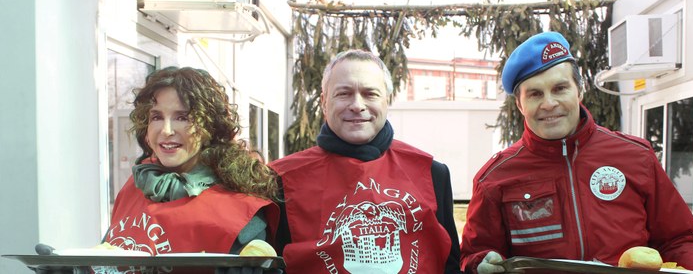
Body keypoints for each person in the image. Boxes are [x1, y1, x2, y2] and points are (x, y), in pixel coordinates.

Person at [459, 32, 693, 274]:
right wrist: (479, 263)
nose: (549, 104)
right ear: (520, 104)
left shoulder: (635, 156)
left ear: (579, 90)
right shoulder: (495, 178)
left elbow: (677, 239)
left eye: (560, 88)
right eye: (535, 94)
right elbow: (474, 253)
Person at [268, 49, 462, 273]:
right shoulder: (282, 180)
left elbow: (451, 264)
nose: (357, 105)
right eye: (344, 93)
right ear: (323, 102)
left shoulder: (432, 173)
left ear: (386, 101)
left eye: (370, 93)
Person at [101, 67, 280, 273]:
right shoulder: (135, 186)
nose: (166, 131)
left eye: (182, 117)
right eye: (156, 117)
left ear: (210, 127)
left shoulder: (241, 209)